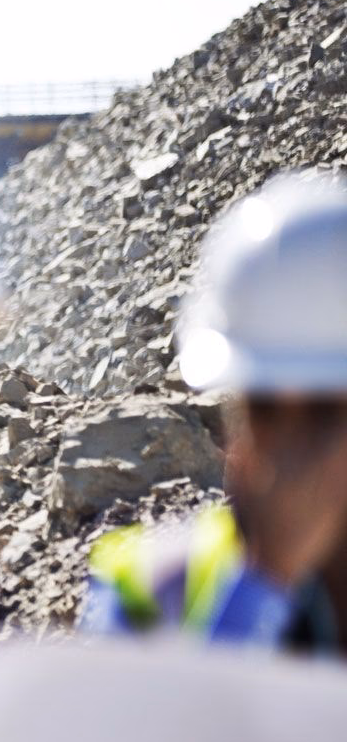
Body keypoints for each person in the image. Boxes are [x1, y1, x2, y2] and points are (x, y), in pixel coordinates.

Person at [85, 172, 347, 653]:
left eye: (326, 414)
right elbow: (146, 727)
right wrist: (264, 583)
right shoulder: (149, 585)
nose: (292, 447)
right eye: (266, 409)